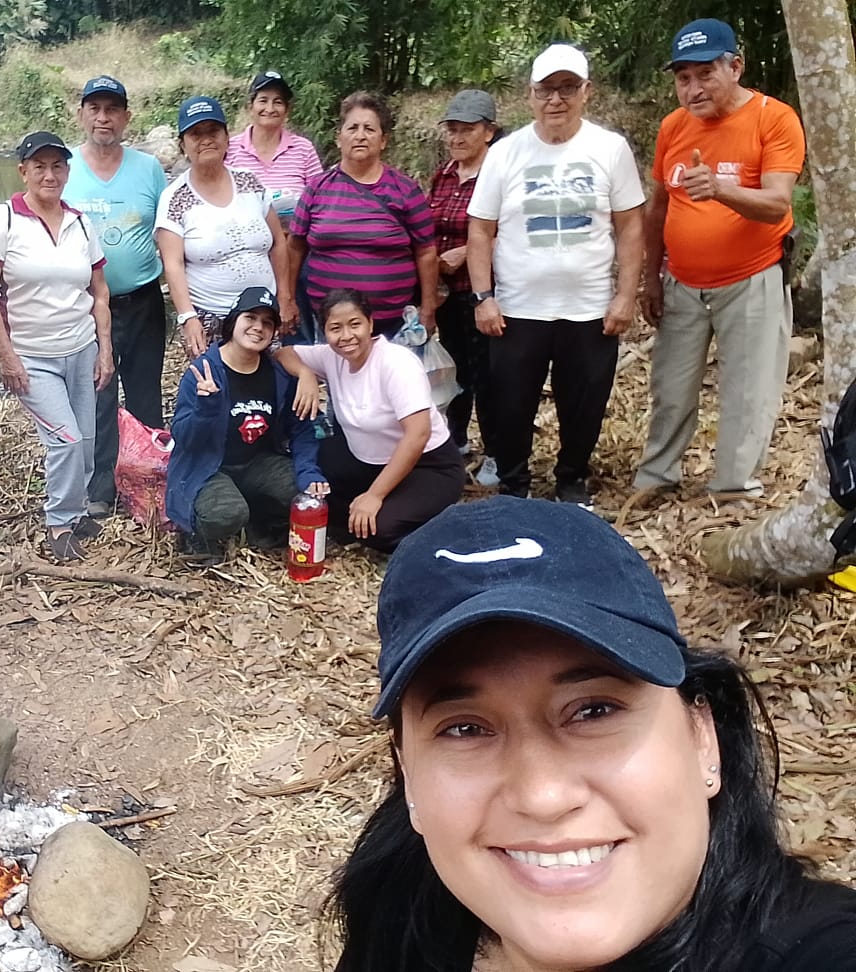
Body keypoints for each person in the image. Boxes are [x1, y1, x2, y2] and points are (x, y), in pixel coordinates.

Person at [325, 495, 856, 971]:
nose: (543, 797)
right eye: (465, 729)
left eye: (594, 711)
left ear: (702, 735)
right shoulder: (403, 915)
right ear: (409, 775)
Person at [467, 45, 645, 510]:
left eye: (567, 88)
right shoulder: (505, 153)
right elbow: (481, 230)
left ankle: (572, 480)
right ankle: (514, 485)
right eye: (546, 89)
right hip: (518, 307)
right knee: (510, 403)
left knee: (584, 402)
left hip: (588, 306)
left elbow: (630, 227)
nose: (556, 99)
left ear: (586, 92)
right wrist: (484, 296)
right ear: (530, 95)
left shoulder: (609, 149)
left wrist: (625, 295)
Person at [634, 19, 806, 498]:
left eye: (705, 73)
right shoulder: (674, 126)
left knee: (749, 390)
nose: (694, 89)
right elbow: (658, 207)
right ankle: (657, 477)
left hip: (751, 279)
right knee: (671, 387)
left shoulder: (773, 119)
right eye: (683, 77)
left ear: (735, 67)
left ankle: (733, 485)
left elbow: (777, 203)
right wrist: (652, 278)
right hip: (682, 282)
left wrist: (720, 189)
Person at [0, 131, 113, 563]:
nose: (49, 175)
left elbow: (99, 291)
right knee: (66, 440)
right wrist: (5, 355)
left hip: (82, 347)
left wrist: (105, 349)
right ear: (23, 171)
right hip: (33, 355)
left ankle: (77, 511)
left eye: (57, 166)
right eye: (40, 166)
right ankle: (59, 524)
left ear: (68, 172)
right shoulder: (4, 220)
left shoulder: (80, 222)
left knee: (86, 440)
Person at [276, 289, 464, 552]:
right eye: (335, 328)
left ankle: (442, 528)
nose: (346, 336)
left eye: (355, 324)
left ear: (370, 324)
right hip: (366, 461)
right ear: (324, 332)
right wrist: (306, 374)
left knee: (379, 529)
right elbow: (283, 353)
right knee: (312, 485)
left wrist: (375, 495)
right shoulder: (331, 356)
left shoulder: (397, 363)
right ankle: (362, 512)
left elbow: (418, 434)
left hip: (427, 465)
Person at [63, 75, 170, 519]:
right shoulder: (65, 167)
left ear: (126, 117)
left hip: (142, 299)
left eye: (112, 110)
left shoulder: (149, 169)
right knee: (97, 394)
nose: (103, 118)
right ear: (82, 115)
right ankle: (102, 486)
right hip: (86, 304)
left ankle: (149, 480)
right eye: (95, 109)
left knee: (145, 393)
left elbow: (168, 233)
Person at [167, 287, 326, 563]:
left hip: (257, 463)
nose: (258, 327)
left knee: (304, 494)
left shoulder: (277, 374)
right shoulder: (205, 372)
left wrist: (309, 472)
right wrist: (206, 409)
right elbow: (184, 439)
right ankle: (198, 534)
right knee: (225, 514)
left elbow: (301, 428)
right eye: (250, 318)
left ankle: (256, 522)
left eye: (267, 323)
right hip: (208, 467)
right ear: (233, 322)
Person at [288, 91, 439, 339]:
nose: (360, 135)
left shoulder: (405, 190)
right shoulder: (317, 188)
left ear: (383, 140)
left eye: (369, 129)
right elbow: (295, 246)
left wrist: (429, 308)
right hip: (331, 328)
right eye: (352, 128)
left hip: (393, 329)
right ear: (339, 138)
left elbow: (426, 252)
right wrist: (287, 298)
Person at [156, 95, 296, 359]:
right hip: (212, 319)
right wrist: (188, 317)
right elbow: (173, 263)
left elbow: (278, 242)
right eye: (196, 134)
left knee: (269, 381)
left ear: (227, 137)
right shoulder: (174, 198)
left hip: (263, 317)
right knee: (215, 383)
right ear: (183, 144)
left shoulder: (250, 183)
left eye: (213, 131)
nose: (206, 139)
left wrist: (285, 296)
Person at [428, 89, 501, 485]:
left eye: (467, 130)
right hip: (446, 292)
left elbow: (513, 231)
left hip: (485, 290)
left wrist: (465, 251)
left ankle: (497, 451)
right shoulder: (443, 174)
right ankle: (455, 439)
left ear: (488, 132)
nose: (457, 138)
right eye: (452, 130)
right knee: (452, 370)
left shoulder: (499, 173)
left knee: (488, 373)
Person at [224, 70, 324, 229]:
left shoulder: (304, 149)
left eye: (278, 102)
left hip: (295, 238)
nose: (270, 109)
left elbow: (320, 200)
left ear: (287, 110)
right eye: (263, 100)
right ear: (250, 107)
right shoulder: (230, 149)